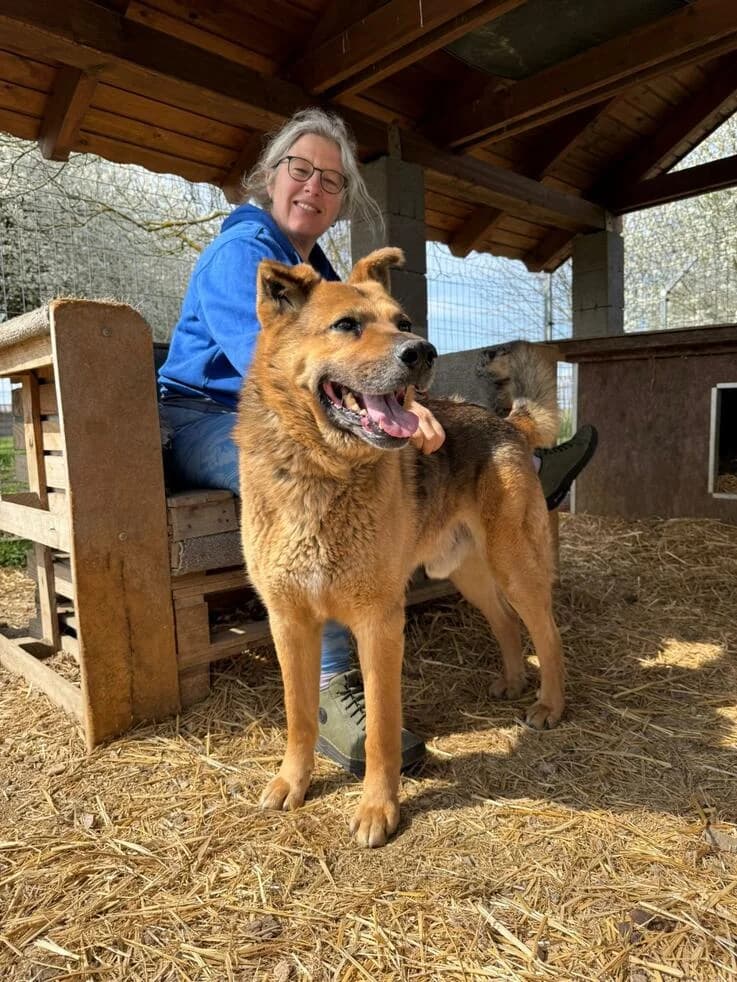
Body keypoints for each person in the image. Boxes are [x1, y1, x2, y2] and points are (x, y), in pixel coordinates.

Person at [158, 107, 597, 777]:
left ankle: (525, 632)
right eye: (298, 170)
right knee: (293, 476)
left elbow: (365, 360)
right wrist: (393, 412)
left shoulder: (324, 269)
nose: (312, 187)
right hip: (205, 415)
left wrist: (403, 405)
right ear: (268, 179)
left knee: (380, 481)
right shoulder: (243, 252)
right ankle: (337, 686)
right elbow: (276, 376)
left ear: (340, 202)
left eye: (330, 180)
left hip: (325, 416)